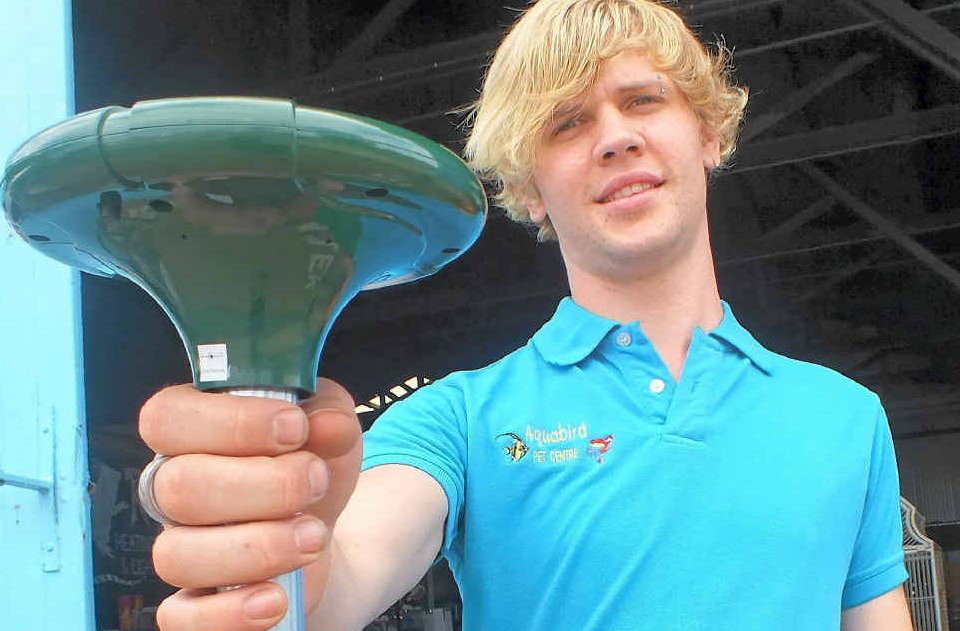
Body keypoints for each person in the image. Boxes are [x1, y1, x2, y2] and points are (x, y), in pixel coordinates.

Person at [137, 1, 914, 629]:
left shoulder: (845, 417)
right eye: (566, 122)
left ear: (707, 133)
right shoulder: (457, 419)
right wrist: (270, 547)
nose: (615, 137)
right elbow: (335, 586)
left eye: (642, 99)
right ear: (530, 188)